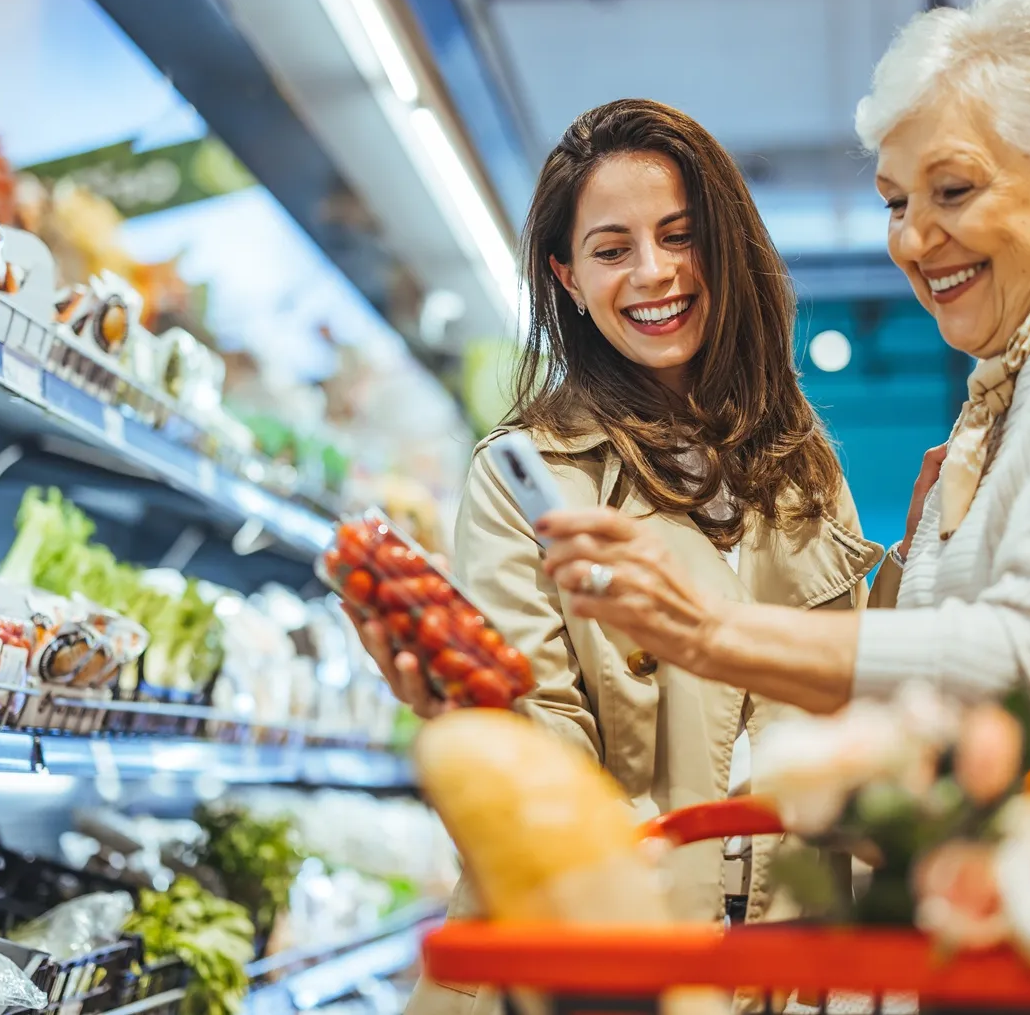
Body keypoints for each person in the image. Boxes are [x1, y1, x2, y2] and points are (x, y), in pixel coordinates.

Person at [537, 0, 1030, 774]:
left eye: (953, 190)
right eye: (895, 201)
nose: (915, 239)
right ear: (567, 278)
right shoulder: (1010, 392)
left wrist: (710, 632)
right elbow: (929, 698)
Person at [355, 97, 883, 1015]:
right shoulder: (527, 478)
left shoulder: (805, 469)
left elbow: (847, 710)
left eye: (681, 236)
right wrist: (469, 711)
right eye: (612, 249)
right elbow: (543, 743)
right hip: (599, 968)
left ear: (727, 244)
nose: (654, 273)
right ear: (566, 275)